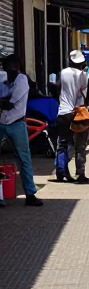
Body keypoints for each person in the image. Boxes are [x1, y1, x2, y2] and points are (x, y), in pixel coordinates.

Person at [0, 54, 42, 206]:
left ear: (17, 67)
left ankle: (30, 194)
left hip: (17, 124)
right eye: (5, 67)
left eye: (9, 68)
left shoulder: (22, 80)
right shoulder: (4, 79)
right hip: (2, 122)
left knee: (24, 159)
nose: (7, 70)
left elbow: (8, 104)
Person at [56, 49, 89, 185]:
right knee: (80, 145)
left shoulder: (63, 72)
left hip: (63, 112)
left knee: (62, 143)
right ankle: (80, 173)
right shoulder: (84, 75)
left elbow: (57, 87)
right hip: (78, 113)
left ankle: (61, 172)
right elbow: (86, 96)